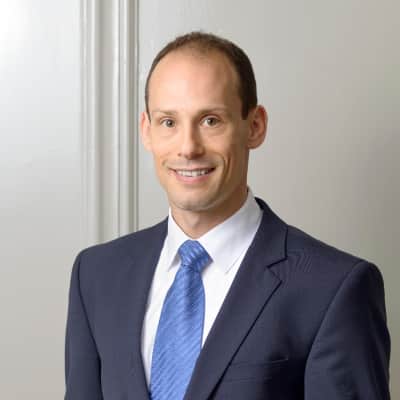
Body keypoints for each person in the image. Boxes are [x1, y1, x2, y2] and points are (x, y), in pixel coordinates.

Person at [64, 32, 391, 399]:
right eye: (169, 122)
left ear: (255, 126)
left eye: (210, 120)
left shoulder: (333, 288)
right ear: (147, 131)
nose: (188, 148)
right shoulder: (96, 275)